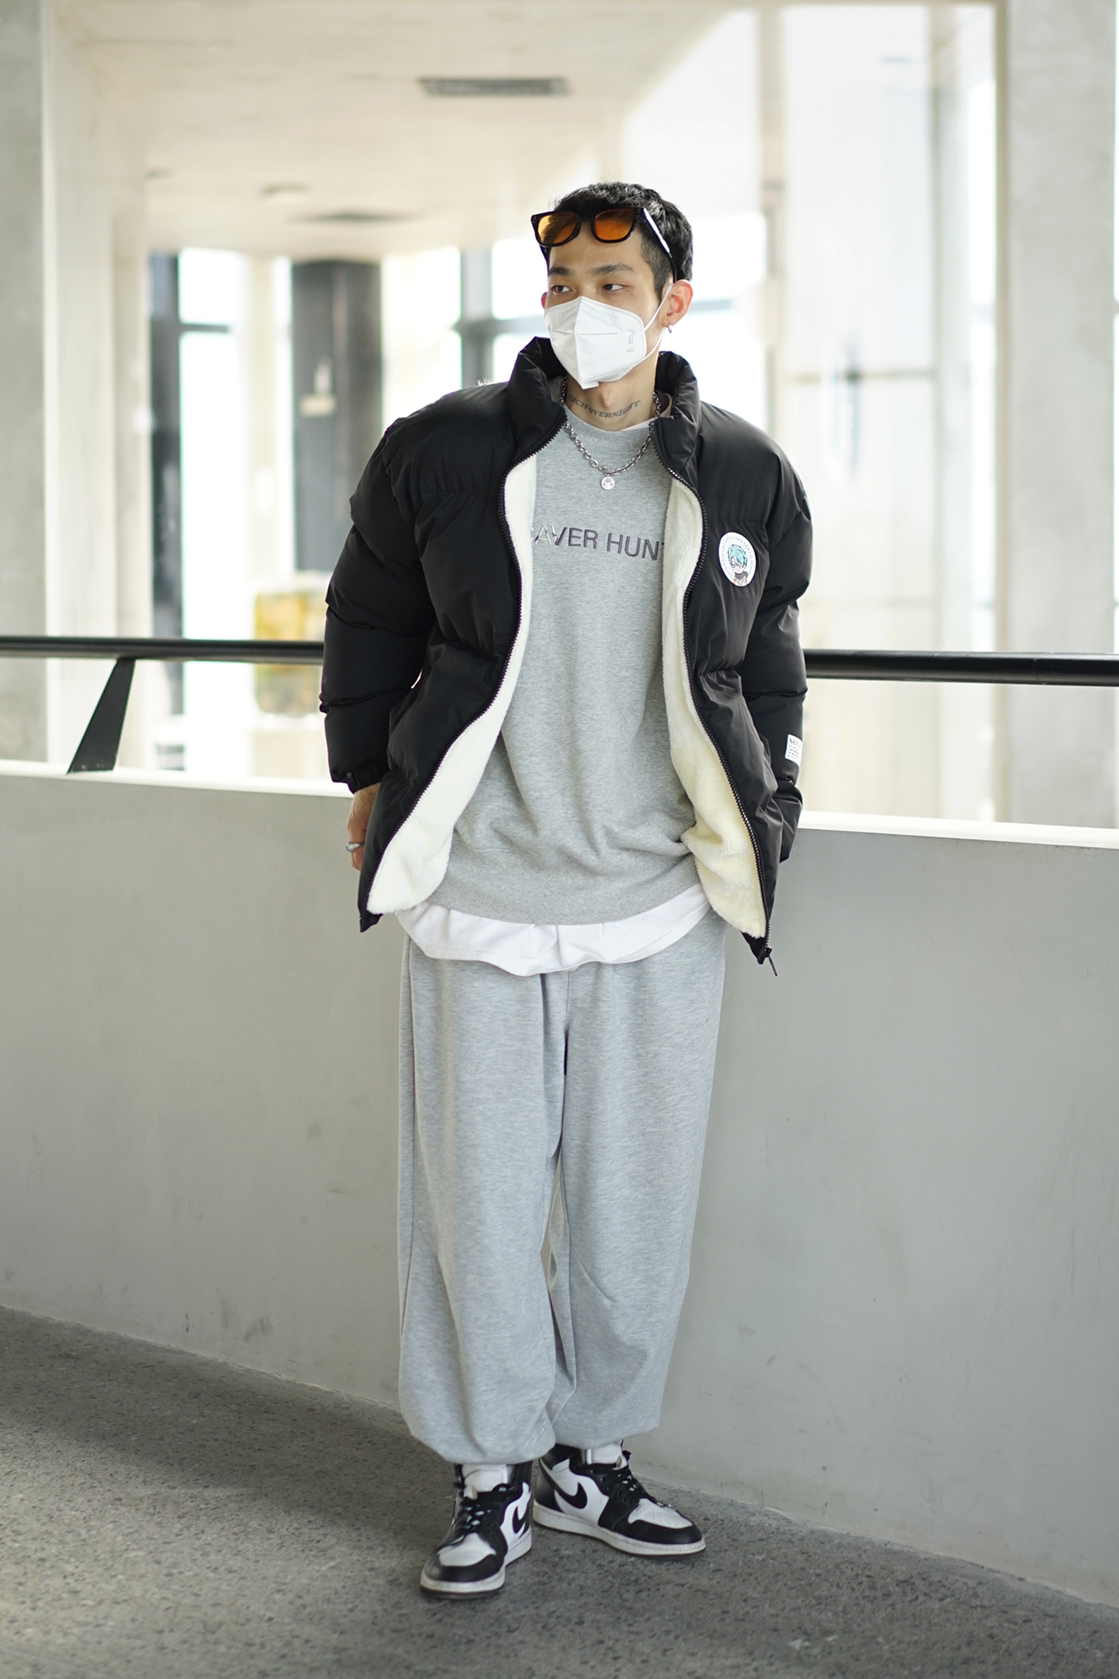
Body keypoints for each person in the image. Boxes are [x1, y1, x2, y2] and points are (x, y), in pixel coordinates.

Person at [320, 182, 811, 1597]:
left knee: (632, 1213)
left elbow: (765, 654)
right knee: (474, 1212)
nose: (583, 307)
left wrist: (773, 804)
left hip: (655, 903)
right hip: (481, 889)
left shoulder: (742, 473)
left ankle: (593, 1455)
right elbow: (371, 614)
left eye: (615, 283)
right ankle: (491, 1472)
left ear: (673, 303)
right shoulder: (448, 449)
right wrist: (368, 775)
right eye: (564, 283)